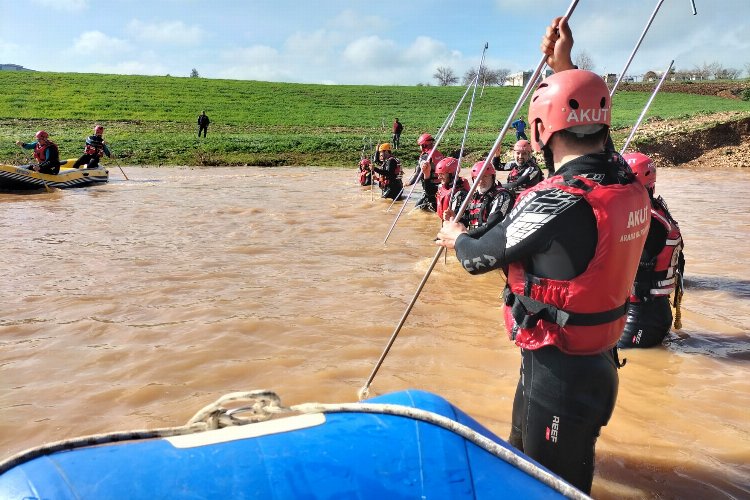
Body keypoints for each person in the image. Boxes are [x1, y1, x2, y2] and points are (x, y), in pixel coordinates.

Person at [434, 16, 651, 494]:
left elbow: (479, 257)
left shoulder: (556, 199)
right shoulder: (628, 182)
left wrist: (455, 235)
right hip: (594, 359)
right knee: (529, 462)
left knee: (549, 485)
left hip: (560, 372)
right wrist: (564, 67)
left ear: (538, 129)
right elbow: (598, 143)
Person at [618, 152, 685, 348]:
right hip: (650, 309)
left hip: (642, 314)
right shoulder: (653, 211)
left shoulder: (647, 221)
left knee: (626, 367)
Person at [462, 161, 514, 233]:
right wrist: (454, 218)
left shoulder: (503, 195)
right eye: (476, 177)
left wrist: (466, 236)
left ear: (493, 177)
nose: (481, 181)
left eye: (485, 176)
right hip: (475, 238)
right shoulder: (474, 196)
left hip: (494, 239)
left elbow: (492, 225)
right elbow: (465, 219)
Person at [405, 133, 444, 212]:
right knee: (433, 206)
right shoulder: (438, 154)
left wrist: (410, 182)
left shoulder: (425, 156)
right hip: (439, 186)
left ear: (423, 145)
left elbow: (419, 173)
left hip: (429, 186)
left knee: (417, 210)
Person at [434, 157, 469, 222]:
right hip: (446, 223)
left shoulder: (461, 192)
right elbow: (430, 194)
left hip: (456, 226)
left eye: (442, 174)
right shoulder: (442, 187)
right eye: (438, 174)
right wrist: (426, 175)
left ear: (452, 174)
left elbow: (461, 218)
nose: (439, 177)